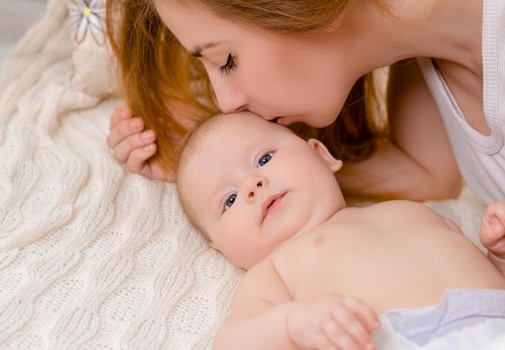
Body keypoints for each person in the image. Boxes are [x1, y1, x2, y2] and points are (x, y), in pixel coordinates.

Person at [105, 0, 504, 204]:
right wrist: (222, 166)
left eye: (226, 60)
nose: (226, 103)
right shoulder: (424, 51)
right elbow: (425, 176)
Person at [175, 111, 505, 350]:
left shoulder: (411, 209)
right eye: (229, 200)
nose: (252, 185)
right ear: (220, 247)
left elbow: (480, 273)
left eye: (263, 159)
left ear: (321, 155)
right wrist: (292, 325)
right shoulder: (273, 271)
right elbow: (233, 342)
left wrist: (497, 253)